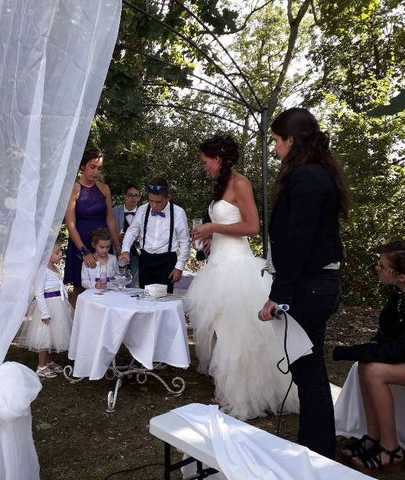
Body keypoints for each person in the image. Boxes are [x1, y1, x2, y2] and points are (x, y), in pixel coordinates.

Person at [186, 134, 299, 421]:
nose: (204, 166)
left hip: (237, 269)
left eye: (205, 161)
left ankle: (243, 399)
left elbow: (252, 226)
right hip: (218, 264)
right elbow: (228, 225)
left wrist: (213, 225)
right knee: (222, 331)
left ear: (218, 159)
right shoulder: (220, 185)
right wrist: (212, 235)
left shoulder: (240, 183)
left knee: (237, 333)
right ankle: (227, 390)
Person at [259, 108, 349, 458]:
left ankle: (317, 451)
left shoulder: (308, 177)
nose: (275, 148)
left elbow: (299, 240)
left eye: (277, 141)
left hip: (311, 286)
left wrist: (278, 295)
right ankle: (316, 444)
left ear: (291, 140)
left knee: (308, 369)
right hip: (312, 283)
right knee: (306, 367)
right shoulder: (312, 172)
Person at [332, 239, 405, 472]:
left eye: (381, 266)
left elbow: (398, 351)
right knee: (365, 364)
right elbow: (389, 331)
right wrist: (369, 347)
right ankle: (373, 437)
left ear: (400, 275)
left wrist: (344, 351)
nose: (377, 268)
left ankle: (391, 449)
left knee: (374, 370)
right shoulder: (400, 290)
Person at [64, 148, 120, 302]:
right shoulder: (74, 189)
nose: (96, 172)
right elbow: (70, 223)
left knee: (106, 284)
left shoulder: (104, 189)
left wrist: (117, 246)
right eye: (92, 167)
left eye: (99, 168)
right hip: (80, 242)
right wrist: (84, 251)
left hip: (102, 242)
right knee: (80, 288)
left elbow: (110, 220)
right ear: (83, 166)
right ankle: (78, 324)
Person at [119, 178, 189, 294]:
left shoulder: (178, 213)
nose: (154, 205)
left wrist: (179, 267)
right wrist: (125, 250)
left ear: (168, 198)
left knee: (164, 299)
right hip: (146, 259)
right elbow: (132, 232)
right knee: (144, 296)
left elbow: (185, 241)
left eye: (158, 202)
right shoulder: (142, 210)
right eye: (151, 201)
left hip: (167, 261)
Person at [18, 241, 73, 379]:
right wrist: (45, 312)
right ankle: (41, 366)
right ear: (46, 255)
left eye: (60, 252)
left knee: (53, 334)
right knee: (44, 336)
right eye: (57, 252)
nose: (60, 255)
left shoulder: (54, 268)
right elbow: (39, 292)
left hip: (57, 306)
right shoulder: (43, 270)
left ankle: (49, 360)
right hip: (48, 306)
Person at [112, 183, 141, 287]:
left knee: (132, 283)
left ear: (139, 197)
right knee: (117, 282)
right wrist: (116, 238)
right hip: (118, 252)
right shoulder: (114, 211)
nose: (133, 198)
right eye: (130, 195)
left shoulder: (142, 213)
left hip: (137, 252)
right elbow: (107, 231)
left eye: (136, 195)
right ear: (124, 196)